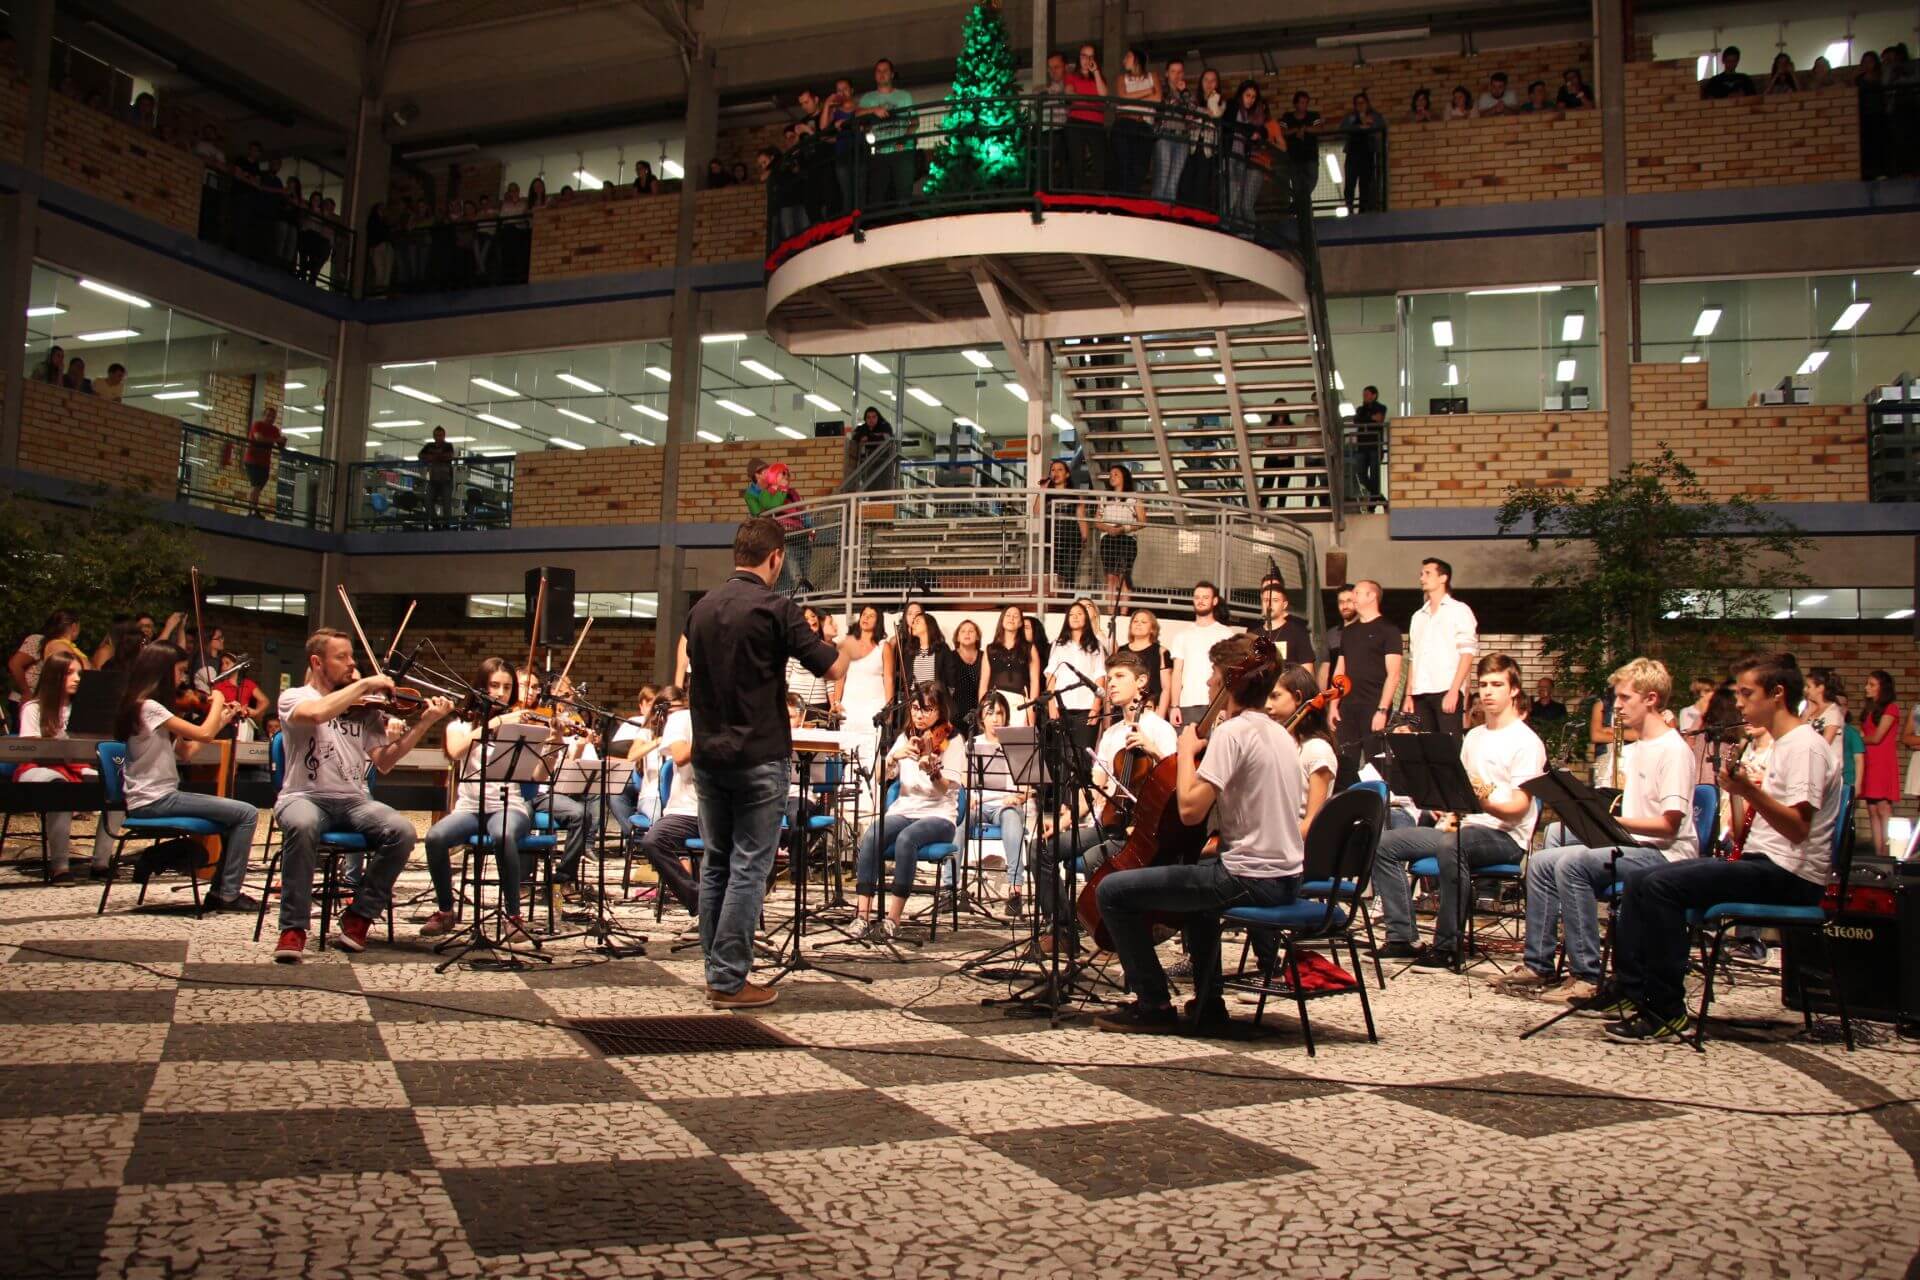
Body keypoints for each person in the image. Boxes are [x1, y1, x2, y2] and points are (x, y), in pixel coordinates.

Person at [1592, 654, 1841, 1043]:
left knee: (1659, 886)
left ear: (1777, 694)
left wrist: (1750, 790)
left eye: (1746, 693)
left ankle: (1665, 1009)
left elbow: (1797, 827)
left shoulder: (1804, 746)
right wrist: (1739, 792)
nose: (1738, 702)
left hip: (1790, 875)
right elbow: (1749, 827)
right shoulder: (1780, 745)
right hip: (1765, 863)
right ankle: (1632, 989)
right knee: (1642, 878)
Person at [1093, 634, 1300, 1033]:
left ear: (1229, 684)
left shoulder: (1233, 733)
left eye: (1213, 676)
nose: (1207, 684)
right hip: (1287, 878)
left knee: (1112, 891)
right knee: (1198, 884)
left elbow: (1190, 811)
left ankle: (1153, 1003)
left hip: (1247, 878)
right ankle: (1209, 1004)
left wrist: (1186, 751)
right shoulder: (1279, 733)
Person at [683, 516, 846, 1006]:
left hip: (709, 753)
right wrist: (849, 646)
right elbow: (831, 665)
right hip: (759, 754)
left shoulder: (701, 609)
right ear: (776, 558)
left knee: (716, 864)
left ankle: (716, 969)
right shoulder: (777, 607)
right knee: (750, 866)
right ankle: (730, 979)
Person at [1497, 658, 1698, 1004]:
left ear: (1651, 699)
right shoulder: (1636, 750)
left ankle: (1587, 974)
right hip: (1632, 843)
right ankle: (1539, 962)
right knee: (1546, 857)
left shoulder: (1673, 749)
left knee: (1572, 864)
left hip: (1664, 853)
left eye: (1624, 698)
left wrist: (1611, 821)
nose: (1615, 706)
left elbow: (1668, 825)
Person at [271, 629, 454, 962]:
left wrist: (425, 722)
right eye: (342, 657)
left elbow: (384, 761)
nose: (351, 663)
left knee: (402, 831)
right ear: (317, 662)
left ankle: (359, 916)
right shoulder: (294, 697)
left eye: (352, 656)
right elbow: (316, 714)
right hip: (303, 796)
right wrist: (366, 683)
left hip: (355, 800)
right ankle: (293, 928)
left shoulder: (364, 709)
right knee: (302, 824)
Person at [1374, 654, 1545, 966]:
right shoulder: (1475, 736)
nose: (1489, 691)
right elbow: (1459, 789)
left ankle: (1447, 946)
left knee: (1454, 846)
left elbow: (1520, 809)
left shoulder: (1526, 741)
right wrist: (1447, 805)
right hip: (1462, 828)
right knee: (1383, 845)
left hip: (1503, 837)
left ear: (1514, 690)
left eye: (1497, 684)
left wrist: (1481, 802)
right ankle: (1402, 937)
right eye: (1484, 685)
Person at [1032, 650, 1177, 945]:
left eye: (1119, 677)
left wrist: (1153, 751)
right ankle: (1062, 926)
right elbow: (1094, 788)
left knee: (1092, 858)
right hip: (1106, 823)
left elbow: (1174, 784)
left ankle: (1114, 931)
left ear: (1142, 682)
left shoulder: (1160, 730)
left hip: (1138, 831)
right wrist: (1063, 821)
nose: (1111, 683)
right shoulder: (1110, 735)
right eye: (1109, 678)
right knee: (1040, 848)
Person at [111, 642, 260, 911]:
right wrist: (216, 699)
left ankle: (221, 890)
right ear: (163, 672)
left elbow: (188, 751)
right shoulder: (148, 707)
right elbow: (202, 732)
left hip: (161, 796)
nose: (182, 679)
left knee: (234, 817)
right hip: (154, 799)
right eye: (179, 671)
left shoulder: (155, 710)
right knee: (247, 813)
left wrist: (223, 718)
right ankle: (227, 893)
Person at [419, 659, 536, 943]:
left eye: (507, 687)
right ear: (481, 686)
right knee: (435, 837)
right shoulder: (459, 724)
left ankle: (513, 916)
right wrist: (491, 724)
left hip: (509, 806)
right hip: (470, 808)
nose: (500, 693)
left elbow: (534, 773)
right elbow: (457, 751)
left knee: (503, 835)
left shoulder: (519, 724)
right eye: (494, 685)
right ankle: (446, 910)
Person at [847, 681, 967, 942]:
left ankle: (893, 919)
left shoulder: (953, 740)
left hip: (940, 816)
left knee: (907, 839)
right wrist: (893, 757)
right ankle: (862, 915)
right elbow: (878, 776)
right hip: (904, 809)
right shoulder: (905, 736)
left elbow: (946, 789)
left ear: (940, 711)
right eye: (915, 709)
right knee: (872, 834)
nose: (920, 715)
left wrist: (933, 772)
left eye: (927, 710)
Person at [17, 653, 116, 881]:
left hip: (77, 766)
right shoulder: (34, 707)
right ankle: (60, 866)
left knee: (118, 785)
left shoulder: (88, 711)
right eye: (70, 673)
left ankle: (101, 862)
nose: (77, 678)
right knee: (59, 787)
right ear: (54, 677)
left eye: (80, 673)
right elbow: (29, 750)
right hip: (38, 767)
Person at [638, 685, 702, 918]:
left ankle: (736, 913)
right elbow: (681, 756)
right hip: (686, 808)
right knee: (652, 841)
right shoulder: (681, 719)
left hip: (724, 808)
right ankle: (697, 898)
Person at [1402, 557, 1476, 737]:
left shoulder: (1458, 610)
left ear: (1443, 578)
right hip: (1420, 693)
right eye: (1421, 574)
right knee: (1424, 745)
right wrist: (1409, 695)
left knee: (1449, 746)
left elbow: (1467, 653)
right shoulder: (1418, 616)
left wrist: (1454, 690)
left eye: (1428, 573)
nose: (1422, 578)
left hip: (1445, 689)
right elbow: (1414, 657)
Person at [969, 692, 1029, 912]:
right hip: (978, 803)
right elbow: (959, 782)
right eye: (990, 713)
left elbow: (1029, 787)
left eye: (1000, 713)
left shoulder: (1016, 744)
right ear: (980, 718)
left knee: (1012, 816)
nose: (995, 718)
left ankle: (1015, 890)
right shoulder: (971, 744)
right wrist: (969, 798)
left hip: (1005, 805)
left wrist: (1018, 797)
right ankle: (950, 887)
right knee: (958, 814)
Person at [833, 604, 894, 776]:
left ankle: (870, 798)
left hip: (874, 708)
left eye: (871, 615)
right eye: (864, 614)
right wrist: (836, 701)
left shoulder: (884, 646)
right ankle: (846, 796)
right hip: (850, 707)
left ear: (878, 621)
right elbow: (840, 676)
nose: (865, 618)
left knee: (869, 756)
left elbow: (888, 678)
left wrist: (888, 708)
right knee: (849, 755)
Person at [1046, 600, 1107, 758]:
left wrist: (1096, 707)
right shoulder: (1058, 644)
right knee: (1063, 756)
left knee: (1083, 756)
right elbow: (1051, 676)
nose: (1075, 617)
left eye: (1079, 614)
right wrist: (1052, 705)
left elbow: (1100, 676)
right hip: (1062, 707)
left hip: (1086, 708)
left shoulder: (1096, 645)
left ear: (1086, 618)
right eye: (1071, 614)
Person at [1170, 581, 1235, 728]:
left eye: (1205, 597)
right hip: (1187, 704)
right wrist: (1175, 706)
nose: (1200, 601)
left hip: (1216, 704)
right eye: (1197, 597)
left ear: (1215, 601)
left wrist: (1225, 705)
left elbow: (1230, 672)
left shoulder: (1225, 633)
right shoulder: (1182, 635)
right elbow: (1177, 673)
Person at [857, 58, 916, 207]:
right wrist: (873, 110)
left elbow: (914, 121)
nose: (881, 74)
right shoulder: (868, 98)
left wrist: (904, 140)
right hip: (879, 151)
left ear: (892, 74)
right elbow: (857, 115)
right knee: (878, 195)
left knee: (904, 193)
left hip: (901, 150)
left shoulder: (904, 96)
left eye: (885, 71)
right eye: (878, 71)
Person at [1093, 464, 1143, 612]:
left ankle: (1123, 613)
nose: (1112, 477)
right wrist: (1108, 528)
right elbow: (1097, 521)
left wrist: (1124, 528)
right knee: (1110, 577)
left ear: (1124, 477)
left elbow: (1142, 521)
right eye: (1111, 474)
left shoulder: (1134, 498)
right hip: (1108, 539)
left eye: (1116, 474)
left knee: (1123, 576)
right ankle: (1110, 612)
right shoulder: (1104, 497)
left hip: (1127, 539)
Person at [1860, 670, 1899, 856]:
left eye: (1872, 684)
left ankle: (1889, 854)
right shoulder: (1869, 710)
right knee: (1872, 808)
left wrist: (1858, 738)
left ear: (1883, 688)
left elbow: (1876, 737)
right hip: (1869, 761)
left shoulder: (1890, 708)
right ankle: (1879, 854)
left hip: (1882, 762)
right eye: (1867, 684)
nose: (1867, 687)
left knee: (1883, 807)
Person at [980, 604, 1040, 724]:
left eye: (1015, 616)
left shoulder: (1029, 648)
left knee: (1017, 740)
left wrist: (1032, 709)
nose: (1011, 618)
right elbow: (983, 683)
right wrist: (982, 708)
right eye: (1008, 615)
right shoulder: (990, 649)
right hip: (995, 701)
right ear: (1002, 620)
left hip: (1020, 703)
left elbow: (1035, 681)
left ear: (1020, 623)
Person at [1149, 58, 1195, 203]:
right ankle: (1156, 214)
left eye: (1180, 72)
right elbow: (1161, 106)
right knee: (1162, 178)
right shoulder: (1160, 91)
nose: (1176, 75)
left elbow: (1192, 112)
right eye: (1173, 71)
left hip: (1182, 139)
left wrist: (1184, 93)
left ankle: (1168, 216)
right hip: (1165, 136)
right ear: (1167, 74)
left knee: (1174, 182)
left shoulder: (1187, 93)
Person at [1063, 44, 1108, 190]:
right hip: (1076, 121)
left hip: (1096, 122)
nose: (1087, 59)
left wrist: (1095, 72)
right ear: (1079, 57)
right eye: (1084, 55)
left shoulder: (1099, 78)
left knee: (1100, 162)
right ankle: (1078, 199)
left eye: (1091, 56)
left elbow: (1104, 96)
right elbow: (1069, 93)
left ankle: (1098, 202)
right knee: (1077, 162)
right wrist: (1092, 100)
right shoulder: (1071, 76)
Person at [1041, 458, 1087, 594]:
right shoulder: (1047, 495)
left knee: (1070, 574)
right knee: (1054, 574)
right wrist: (1042, 490)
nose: (1056, 472)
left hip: (1072, 539)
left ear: (1067, 474)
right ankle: (1055, 603)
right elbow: (1036, 511)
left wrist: (1084, 537)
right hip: (1051, 539)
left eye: (1060, 469)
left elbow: (1081, 517)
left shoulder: (1075, 495)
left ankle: (1067, 605)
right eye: (1053, 470)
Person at [1337, 91, 1386, 212]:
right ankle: (1349, 207)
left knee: (1365, 183)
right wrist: (1360, 127)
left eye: (1362, 102)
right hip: (1352, 154)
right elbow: (1342, 128)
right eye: (1357, 103)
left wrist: (1369, 125)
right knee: (1350, 182)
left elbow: (1381, 127)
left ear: (1367, 103)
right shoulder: (1350, 117)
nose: (1360, 105)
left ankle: (1363, 210)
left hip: (1368, 154)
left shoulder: (1375, 116)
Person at [1121, 608, 1174, 720]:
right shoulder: (1121, 651)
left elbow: (1166, 688)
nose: (1138, 624)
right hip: (1123, 709)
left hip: (1151, 710)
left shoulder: (1161, 652)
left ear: (1152, 629)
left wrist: (1160, 716)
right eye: (1135, 621)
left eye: (1144, 622)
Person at [1252, 574, 1312, 669]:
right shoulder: (1253, 636)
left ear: (1284, 605)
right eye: (1266, 600)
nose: (1269, 604)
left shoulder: (1298, 632)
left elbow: (1308, 672)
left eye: (1275, 600)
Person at [944, 618, 984, 731]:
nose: (967, 634)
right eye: (963, 631)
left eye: (971, 631)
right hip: (955, 711)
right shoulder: (949, 657)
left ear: (977, 637)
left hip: (979, 711)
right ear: (957, 637)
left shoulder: (985, 657)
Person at [245, 405, 284, 518]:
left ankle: (254, 510)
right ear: (264, 416)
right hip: (252, 460)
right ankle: (252, 511)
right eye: (268, 415)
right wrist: (277, 439)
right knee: (255, 486)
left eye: (273, 416)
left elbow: (280, 444)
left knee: (258, 488)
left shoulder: (274, 430)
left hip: (265, 463)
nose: (270, 418)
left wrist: (282, 441)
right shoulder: (257, 425)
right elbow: (259, 438)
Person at [1351, 385, 1387, 501]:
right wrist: (1371, 418)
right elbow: (1356, 420)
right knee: (1360, 474)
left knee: (1375, 475)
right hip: (1361, 446)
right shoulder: (1360, 409)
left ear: (1374, 395)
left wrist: (1365, 418)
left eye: (1366, 394)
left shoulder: (1381, 407)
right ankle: (1379, 497)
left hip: (1374, 446)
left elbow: (1379, 419)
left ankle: (1373, 503)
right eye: (1363, 394)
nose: (1364, 397)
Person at [418, 426, 457, 528]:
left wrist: (433, 457)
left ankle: (446, 526)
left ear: (444, 436)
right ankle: (435, 524)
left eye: (440, 435)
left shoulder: (448, 445)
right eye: (436, 435)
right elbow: (421, 455)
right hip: (433, 479)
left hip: (446, 480)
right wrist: (438, 456)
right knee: (427, 500)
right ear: (433, 436)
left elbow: (449, 456)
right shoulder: (429, 445)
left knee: (446, 503)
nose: (438, 437)